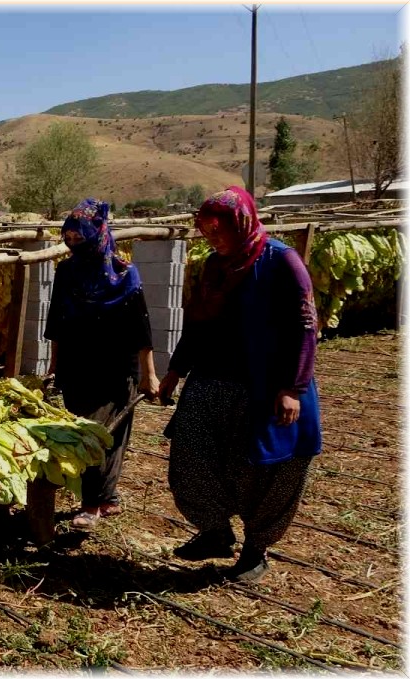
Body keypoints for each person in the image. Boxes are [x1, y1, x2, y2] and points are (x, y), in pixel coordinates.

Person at [158, 186, 322, 583]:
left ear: (243, 223)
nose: (214, 240)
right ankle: (215, 532)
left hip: (266, 385)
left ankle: (255, 549)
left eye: (221, 232)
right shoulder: (215, 265)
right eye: (208, 232)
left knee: (260, 471)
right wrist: (176, 371)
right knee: (192, 457)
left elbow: (305, 327)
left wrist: (293, 388)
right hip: (212, 379)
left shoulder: (282, 261)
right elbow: (198, 323)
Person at [45, 198, 160, 531]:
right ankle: (101, 498)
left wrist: (150, 374)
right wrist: (54, 365)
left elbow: (141, 328)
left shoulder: (124, 273)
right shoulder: (66, 272)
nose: (73, 245)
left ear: (98, 234)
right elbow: (57, 323)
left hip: (117, 366)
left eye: (80, 238)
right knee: (87, 433)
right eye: (68, 239)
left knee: (112, 434)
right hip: (77, 365)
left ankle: (96, 502)